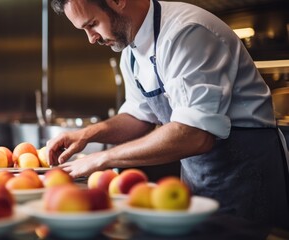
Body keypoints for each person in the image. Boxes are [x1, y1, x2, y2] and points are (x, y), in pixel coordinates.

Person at [46, 0, 289, 229]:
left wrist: (102, 159)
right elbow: (139, 116)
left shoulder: (187, 33)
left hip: (247, 178)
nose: (91, 38)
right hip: (198, 178)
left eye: (92, 24)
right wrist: (86, 135)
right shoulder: (131, 51)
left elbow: (195, 134)